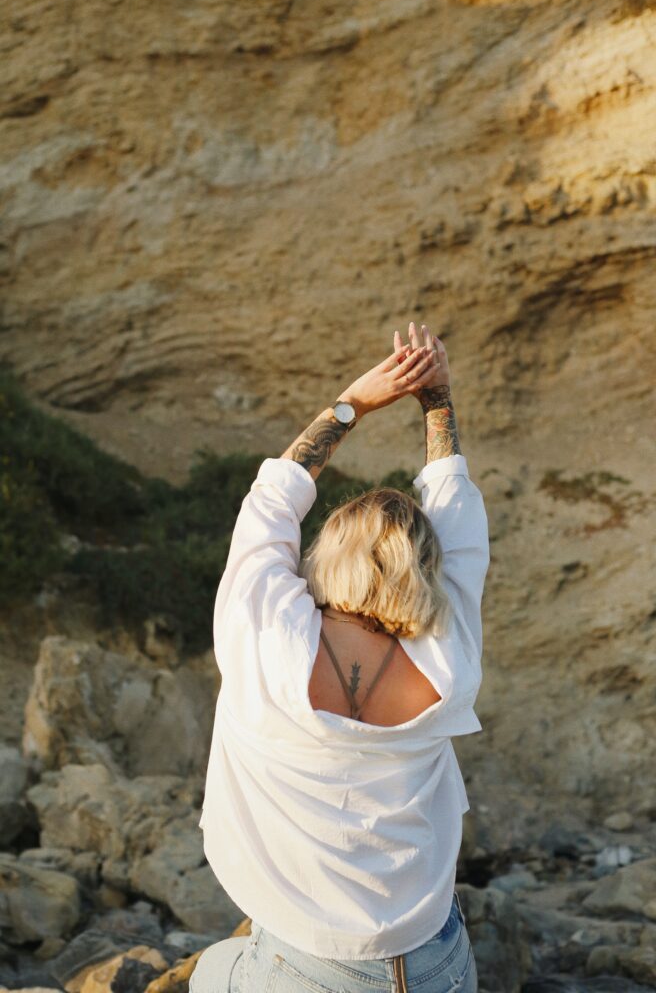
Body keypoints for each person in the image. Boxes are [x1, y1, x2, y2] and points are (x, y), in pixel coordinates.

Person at [191, 322, 490, 993]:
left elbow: (271, 501)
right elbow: (459, 516)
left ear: (326, 557)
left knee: (209, 972)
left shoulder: (266, 631)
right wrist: (436, 400)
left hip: (308, 971)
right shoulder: (450, 654)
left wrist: (352, 402)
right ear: (433, 568)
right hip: (437, 962)